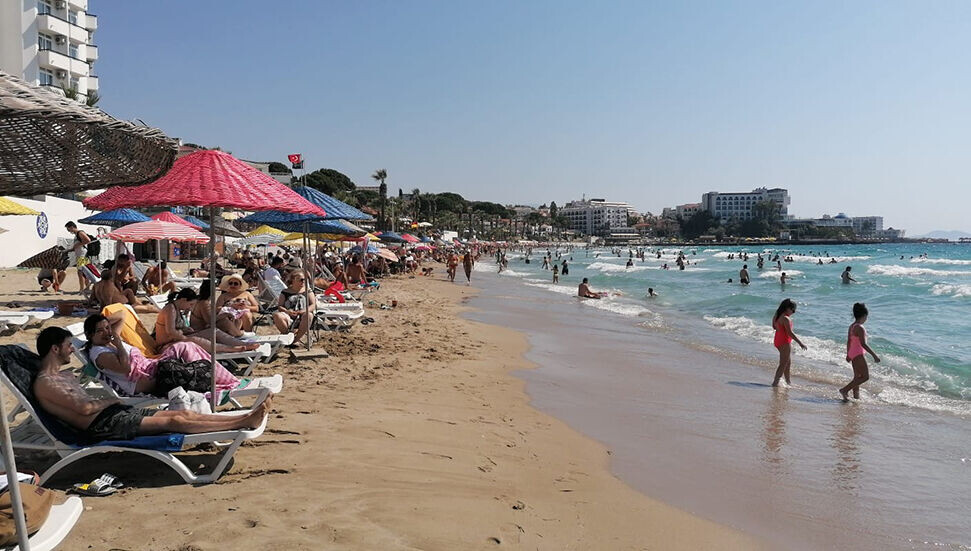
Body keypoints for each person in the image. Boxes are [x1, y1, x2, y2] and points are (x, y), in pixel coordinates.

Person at [33, 326, 269, 444]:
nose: (72, 349)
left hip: (111, 414)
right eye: (68, 346)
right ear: (55, 349)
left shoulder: (64, 376)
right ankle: (242, 422)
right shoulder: (46, 383)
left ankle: (244, 418)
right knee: (174, 422)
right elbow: (84, 409)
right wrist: (113, 400)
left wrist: (108, 403)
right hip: (102, 425)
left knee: (183, 414)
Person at [83, 312, 241, 396]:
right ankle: (223, 379)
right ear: (90, 335)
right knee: (185, 347)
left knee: (186, 346)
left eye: (107, 328)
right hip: (146, 379)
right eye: (100, 331)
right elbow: (125, 368)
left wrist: (101, 322)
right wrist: (118, 344)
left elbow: (121, 315)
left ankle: (221, 377)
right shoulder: (100, 354)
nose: (106, 332)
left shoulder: (106, 341)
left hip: (150, 368)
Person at [158, 287, 259, 353]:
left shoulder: (176, 308)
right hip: (165, 345)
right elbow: (170, 331)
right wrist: (185, 337)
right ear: (183, 300)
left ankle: (243, 344)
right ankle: (231, 349)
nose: (190, 307)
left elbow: (176, 328)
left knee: (213, 331)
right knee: (195, 340)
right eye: (190, 304)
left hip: (177, 338)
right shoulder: (170, 309)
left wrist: (186, 330)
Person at [839, 303, 880, 401]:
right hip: (858, 354)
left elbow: (849, 341)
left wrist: (848, 354)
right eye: (866, 317)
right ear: (864, 316)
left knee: (857, 377)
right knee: (865, 377)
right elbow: (863, 344)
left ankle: (856, 398)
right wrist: (874, 355)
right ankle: (844, 390)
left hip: (853, 353)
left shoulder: (852, 326)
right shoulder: (860, 328)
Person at [771, 299, 807, 387]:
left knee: (787, 362)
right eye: (793, 310)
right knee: (783, 364)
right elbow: (790, 333)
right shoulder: (786, 318)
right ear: (787, 308)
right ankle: (775, 382)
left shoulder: (777, 315)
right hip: (784, 342)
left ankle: (788, 382)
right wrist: (800, 343)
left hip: (777, 340)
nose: (793, 312)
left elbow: (774, 327)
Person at [272, 271, 316, 344]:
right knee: (277, 315)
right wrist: (287, 311)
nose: (303, 281)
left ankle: (296, 339)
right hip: (288, 315)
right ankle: (288, 337)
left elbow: (313, 305)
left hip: (303, 315)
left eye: (304, 279)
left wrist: (303, 311)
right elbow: (280, 306)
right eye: (300, 279)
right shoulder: (285, 292)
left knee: (309, 315)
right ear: (293, 280)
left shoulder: (308, 291)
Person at [92, 267, 159, 313]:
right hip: (123, 306)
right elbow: (108, 301)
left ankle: (139, 303)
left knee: (130, 292)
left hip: (122, 303)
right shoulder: (108, 284)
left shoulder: (96, 285)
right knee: (149, 308)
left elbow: (92, 299)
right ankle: (160, 310)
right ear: (110, 277)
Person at [65, 221, 93, 294]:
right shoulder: (76, 235)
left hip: (82, 256)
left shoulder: (80, 232)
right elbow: (76, 246)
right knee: (84, 272)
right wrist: (70, 249)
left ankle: (81, 289)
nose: (69, 232)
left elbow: (88, 240)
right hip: (80, 255)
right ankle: (86, 288)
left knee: (80, 272)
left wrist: (78, 244)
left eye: (69, 229)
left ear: (72, 227)